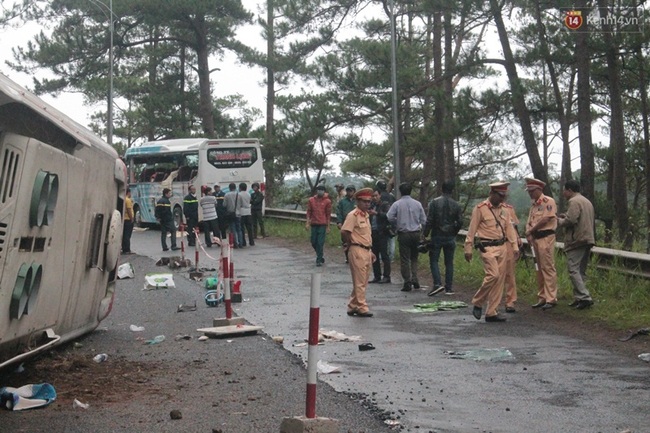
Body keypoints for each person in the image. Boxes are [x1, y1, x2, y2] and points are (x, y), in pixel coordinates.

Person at [464, 182, 520, 322]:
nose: (502, 199)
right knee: (493, 275)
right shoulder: (480, 209)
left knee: (499, 281)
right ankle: (478, 301)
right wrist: (468, 248)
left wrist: (514, 247)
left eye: (504, 196)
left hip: (502, 247)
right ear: (492, 194)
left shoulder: (505, 210)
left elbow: (510, 230)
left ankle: (491, 312)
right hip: (487, 246)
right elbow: (472, 229)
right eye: (500, 195)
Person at [557, 179, 595, 310]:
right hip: (588, 238)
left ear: (569, 190)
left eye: (564, 190)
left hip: (577, 239)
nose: (563, 193)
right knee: (581, 270)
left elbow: (571, 220)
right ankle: (579, 297)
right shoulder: (586, 201)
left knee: (573, 268)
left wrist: (559, 221)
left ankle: (585, 297)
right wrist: (566, 216)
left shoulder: (573, 201)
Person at [423, 180, 463, 296]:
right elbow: (460, 222)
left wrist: (425, 233)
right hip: (450, 236)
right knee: (449, 262)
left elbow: (429, 219)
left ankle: (437, 283)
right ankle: (449, 287)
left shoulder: (434, 203)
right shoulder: (456, 204)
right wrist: (454, 231)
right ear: (452, 190)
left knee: (434, 260)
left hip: (437, 235)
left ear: (442, 189)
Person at [525, 177, 558, 310]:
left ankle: (551, 298)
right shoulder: (534, 206)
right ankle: (542, 297)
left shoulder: (548, 201)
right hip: (536, 239)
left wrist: (531, 230)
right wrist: (528, 233)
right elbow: (529, 221)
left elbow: (545, 219)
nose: (530, 193)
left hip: (546, 237)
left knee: (547, 267)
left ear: (539, 189)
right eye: (529, 191)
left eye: (532, 190)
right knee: (538, 268)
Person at [341, 188, 376, 317]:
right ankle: (361, 306)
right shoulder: (353, 215)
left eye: (369, 201)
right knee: (360, 281)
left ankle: (353, 305)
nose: (367, 204)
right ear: (358, 201)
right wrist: (349, 243)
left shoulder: (365, 215)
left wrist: (370, 251)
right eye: (364, 201)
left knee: (363, 280)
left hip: (366, 249)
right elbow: (345, 231)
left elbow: (366, 235)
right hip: (356, 249)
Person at [387, 182, 427, 292]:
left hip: (403, 233)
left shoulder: (397, 204)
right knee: (414, 257)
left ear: (400, 191)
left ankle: (407, 281)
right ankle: (415, 278)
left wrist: (396, 222)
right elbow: (424, 220)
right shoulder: (418, 204)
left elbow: (389, 216)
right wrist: (423, 232)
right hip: (415, 233)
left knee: (405, 259)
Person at [502, 200, 522, 312]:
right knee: (495, 274)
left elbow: (514, 226)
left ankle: (510, 301)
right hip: (494, 244)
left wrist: (517, 239)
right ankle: (493, 302)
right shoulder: (486, 208)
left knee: (509, 273)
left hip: (508, 242)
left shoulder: (509, 208)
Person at [306, 184, 332, 266]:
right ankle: (320, 255)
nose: (320, 191)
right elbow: (309, 212)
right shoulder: (311, 200)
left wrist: (328, 226)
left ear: (324, 191)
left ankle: (319, 259)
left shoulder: (327, 201)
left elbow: (328, 214)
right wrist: (307, 223)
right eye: (318, 190)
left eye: (322, 190)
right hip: (314, 224)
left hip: (322, 224)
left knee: (320, 243)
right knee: (313, 242)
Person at [369, 189, 391, 284]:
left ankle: (386, 276)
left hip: (382, 233)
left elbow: (388, 216)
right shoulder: (371, 205)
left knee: (384, 255)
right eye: (373, 196)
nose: (374, 197)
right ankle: (377, 276)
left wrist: (377, 213)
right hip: (373, 233)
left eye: (376, 195)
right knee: (374, 255)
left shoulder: (384, 205)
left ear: (380, 195)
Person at [376, 180, 397, 260]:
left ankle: (382, 257)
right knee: (391, 239)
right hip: (391, 220)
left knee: (382, 241)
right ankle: (391, 257)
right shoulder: (391, 196)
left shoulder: (379, 196)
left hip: (381, 220)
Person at [336, 185, 356, 263]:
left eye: (351, 191)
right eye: (348, 191)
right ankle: (347, 257)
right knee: (345, 240)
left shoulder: (357, 201)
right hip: (345, 223)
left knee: (355, 241)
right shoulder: (342, 201)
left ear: (354, 191)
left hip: (356, 225)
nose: (349, 192)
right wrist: (339, 222)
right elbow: (339, 212)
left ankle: (354, 256)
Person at [224, 183, 243, 247]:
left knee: (233, 229)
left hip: (230, 214)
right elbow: (241, 204)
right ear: (235, 187)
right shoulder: (239, 195)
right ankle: (241, 243)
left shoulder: (227, 195)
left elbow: (224, 204)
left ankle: (235, 243)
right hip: (238, 213)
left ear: (229, 188)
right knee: (239, 229)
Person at [122, 187, 134, 254]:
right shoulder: (128, 200)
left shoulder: (123, 199)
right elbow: (129, 210)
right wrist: (131, 218)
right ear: (128, 192)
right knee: (127, 235)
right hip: (128, 219)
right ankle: (127, 250)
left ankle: (124, 249)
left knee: (124, 235)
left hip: (124, 219)